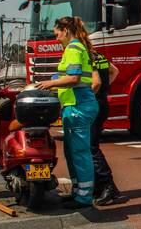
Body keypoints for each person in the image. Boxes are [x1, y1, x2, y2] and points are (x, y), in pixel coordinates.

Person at [36, 16, 98, 208]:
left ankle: (84, 197)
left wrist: (49, 84)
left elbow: (73, 78)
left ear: (65, 30)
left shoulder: (73, 48)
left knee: (79, 153)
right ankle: (78, 191)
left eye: (57, 34)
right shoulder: (77, 47)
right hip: (76, 104)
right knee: (72, 152)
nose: (56, 38)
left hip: (78, 105)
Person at [90, 50, 124, 204]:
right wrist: (105, 88)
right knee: (92, 146)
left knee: (91, 148)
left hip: (94, 103)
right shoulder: (99, 55)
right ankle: (103, 187)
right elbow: (114, 71)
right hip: (103, 102)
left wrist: (88, 95)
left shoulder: (86, 56)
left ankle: (108, 186)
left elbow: (95, 82)